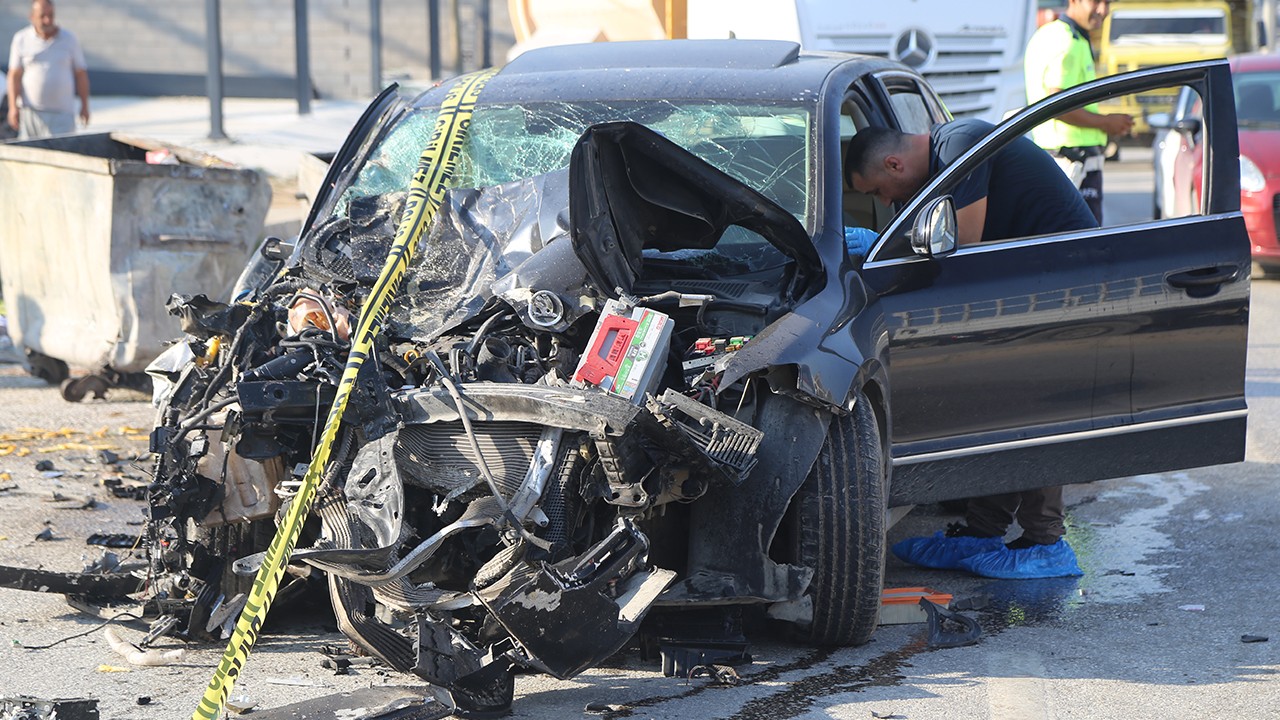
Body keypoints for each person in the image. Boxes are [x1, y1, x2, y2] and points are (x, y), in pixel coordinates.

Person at [845, 120, 1095, 579]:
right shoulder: (942, 159)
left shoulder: (960, 145)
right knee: (998, 409)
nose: (885, 202)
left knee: (1033, 412)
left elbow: (964, 247)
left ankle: (1046, 543)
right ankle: (982, 533)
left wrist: (876, 248)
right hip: (1027, 287)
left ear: (894, 163)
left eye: (880, 190)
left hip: (1064, 288)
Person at [1024, 0, 1132, 223]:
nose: (1103, 10)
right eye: (1096, 2)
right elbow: (1057, 104)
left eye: (1108, 2)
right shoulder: (1068, 41)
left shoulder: (1051, 34)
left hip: (1058, 158)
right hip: (1072, 162)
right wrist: (1105, 123)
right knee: (1084, 244)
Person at [7, 0, 90, 140]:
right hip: (31, 113)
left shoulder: (69, 39)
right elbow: (14, 75)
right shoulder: (21, 39)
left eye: (51, 15)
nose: (48, 20)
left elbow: (80, 74)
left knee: (62, 155)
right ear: (32, 17)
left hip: (62, 114)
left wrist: (85, 106)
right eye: (42, 16)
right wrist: (13, 108)